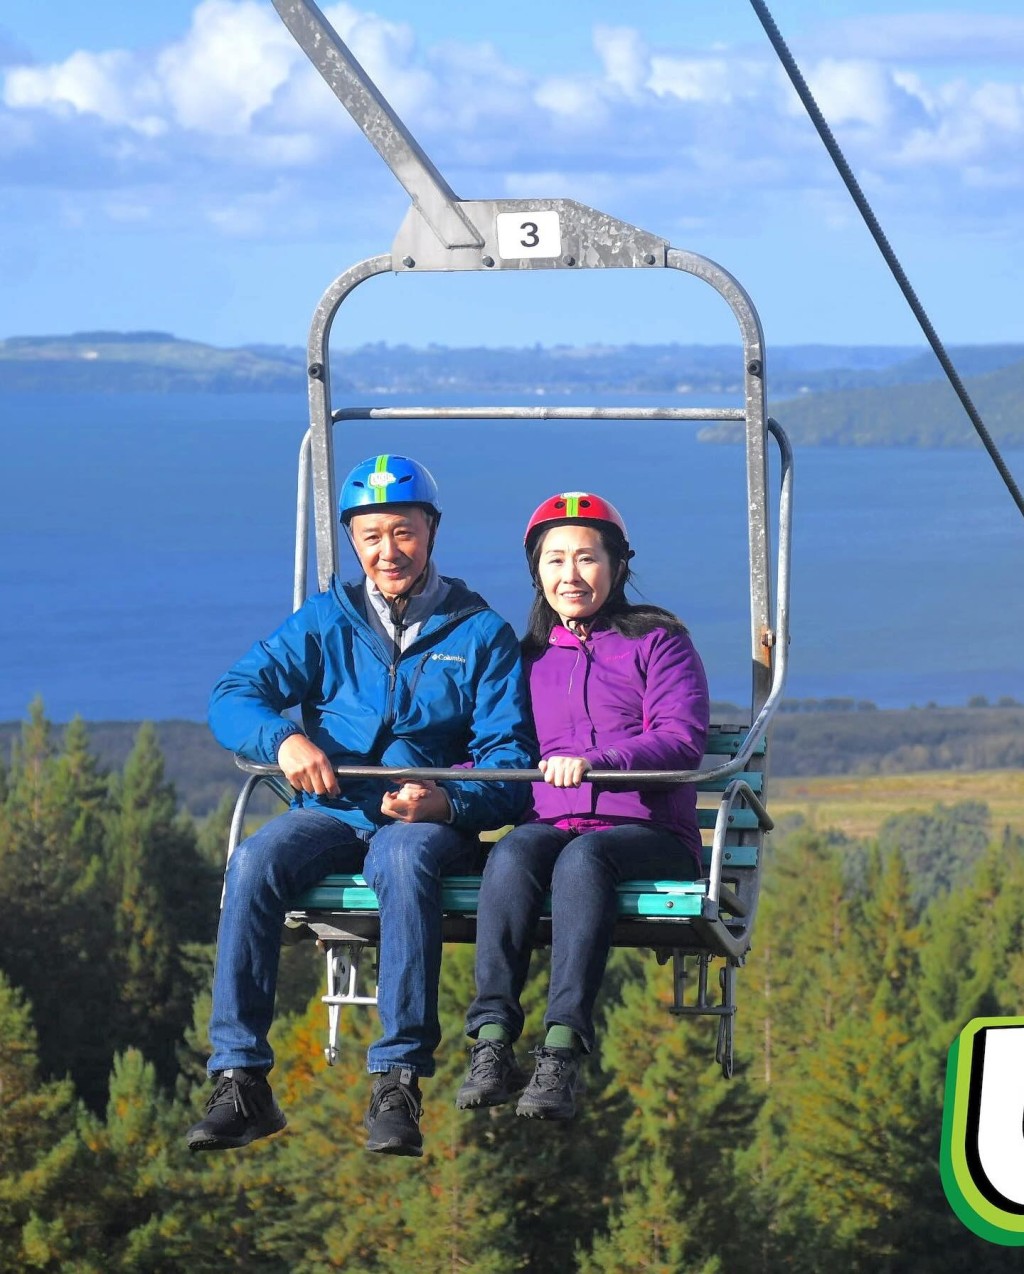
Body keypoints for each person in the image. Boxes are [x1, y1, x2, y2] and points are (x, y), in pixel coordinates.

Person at [186, 454, 535, 1158]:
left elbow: (512, 767)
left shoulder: (480, 633)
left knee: (404, 862)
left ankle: (397, 1078)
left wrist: (446, 800)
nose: (387, 552)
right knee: (253, 861)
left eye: (402, 532)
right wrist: (282, 739)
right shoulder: (324, 622)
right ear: (353, 541)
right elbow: (233, 694)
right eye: (370, 536)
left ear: (431, 532)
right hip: (335, 812)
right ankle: (239, 1078)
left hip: (427, 826)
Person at [456, 491, 709, 1121]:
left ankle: (561, 1049)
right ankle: (491, 1040)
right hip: (553, 823)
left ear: (617, 566)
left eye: (587, 559)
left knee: (585, 860)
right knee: (513, 851)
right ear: (537, 572)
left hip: (647, 831)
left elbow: (681, 740)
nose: (570, 575)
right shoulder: (529, 658)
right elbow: (501, 747)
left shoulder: (659, 641)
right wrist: (440, 787)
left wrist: (600, 762)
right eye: (555, 561)